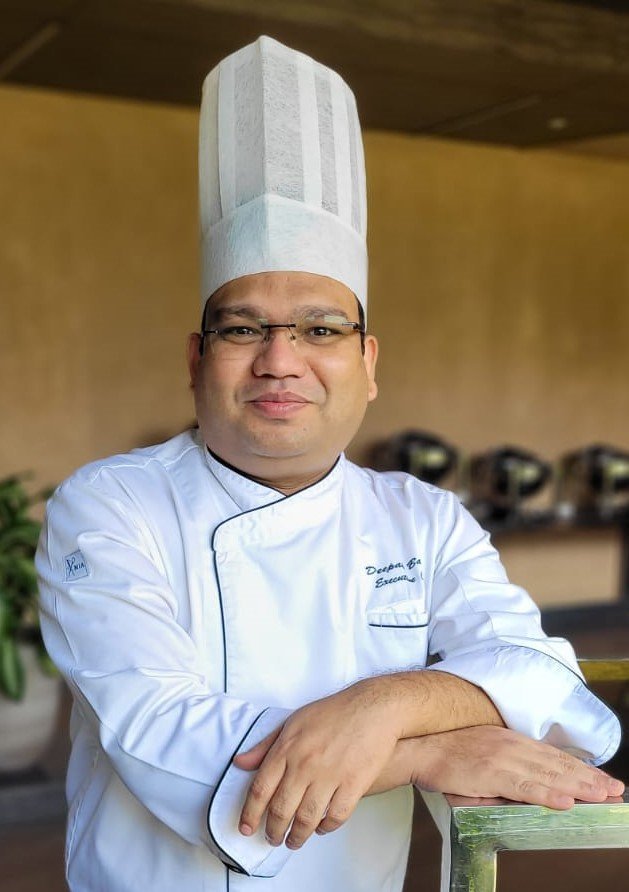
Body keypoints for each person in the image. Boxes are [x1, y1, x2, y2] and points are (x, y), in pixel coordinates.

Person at [37, 35, 622, 892]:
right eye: (244, 329)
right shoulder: (109, 505)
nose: (280, 361)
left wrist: (383, 705)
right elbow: (160, 733)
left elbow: (545, 677)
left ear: (367, 363)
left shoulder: (421, 516)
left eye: (319, 329)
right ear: (196, 360)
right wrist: (426, 750)